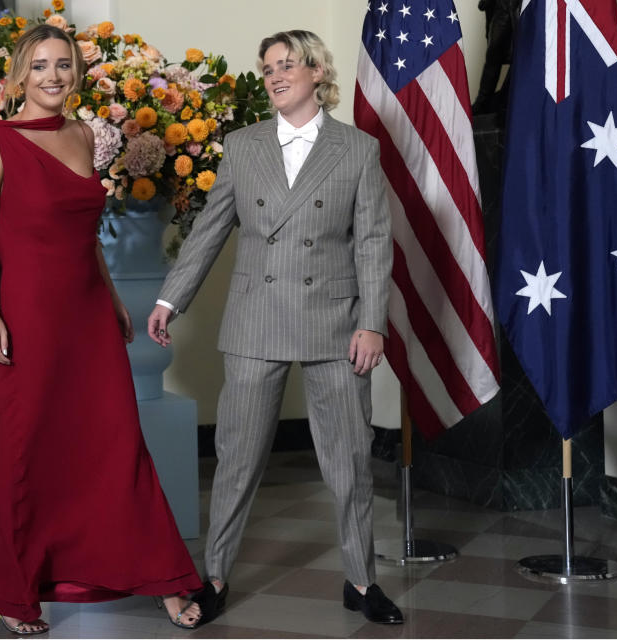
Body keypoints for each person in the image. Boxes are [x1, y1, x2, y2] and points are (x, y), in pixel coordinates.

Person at [147, 30, 403, 626]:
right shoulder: (242, 146)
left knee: (349, 460)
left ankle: (362, 581)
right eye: (267, 68)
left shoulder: (358, 149)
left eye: (287, 65)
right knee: (236, 458)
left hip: (336, 324)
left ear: (317, 72)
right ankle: (214, 576)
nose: (275, 76)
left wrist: (373, 324)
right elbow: (211, 229)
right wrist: (170, 299)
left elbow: (372, 243)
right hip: (256, 319)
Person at [0, 24, 203, 635]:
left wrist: (114, 297)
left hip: (90, 311)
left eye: (63, 65)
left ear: (76, 72)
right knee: (29, 446)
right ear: (20, 75)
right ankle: (15, 591)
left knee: (117, 443)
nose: (53, 77)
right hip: (30, 316)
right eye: (40, 66)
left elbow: (85, 232)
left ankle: (163, 576)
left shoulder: (82, 134)